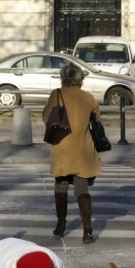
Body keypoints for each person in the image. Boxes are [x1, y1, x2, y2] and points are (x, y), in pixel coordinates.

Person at [42, 62, 102, 244]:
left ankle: (61, 225)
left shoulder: (56, 95)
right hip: (84, 150)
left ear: (63, 77)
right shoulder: (88, 98)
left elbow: (46, 117)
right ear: (80, 79)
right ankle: (88, 230)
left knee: (61, 187)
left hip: (63, 148)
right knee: (81, 190)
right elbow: (97, 120)